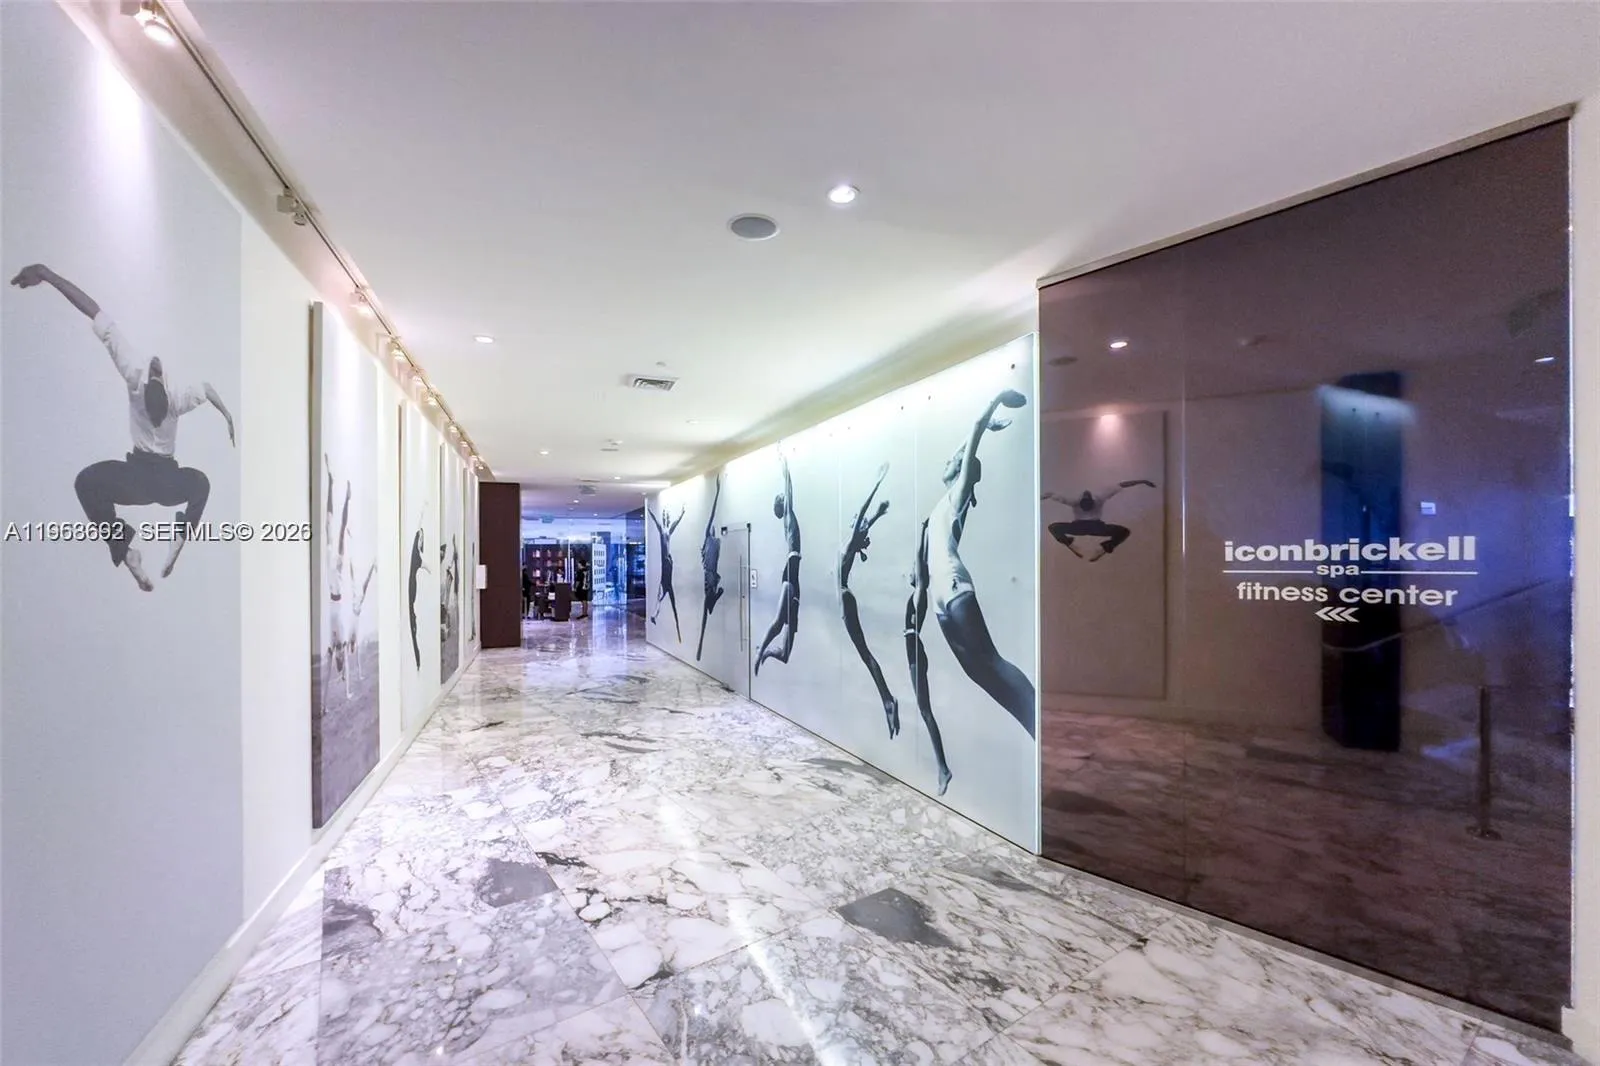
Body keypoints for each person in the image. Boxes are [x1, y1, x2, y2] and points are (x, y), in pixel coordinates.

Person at [11, 263, 234, 591]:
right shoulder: (155, 384)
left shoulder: (154, 384)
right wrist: (46, 274)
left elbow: (95, 311)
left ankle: (173, 538)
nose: (155, 367)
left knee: (196, 483)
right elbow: (93, 309)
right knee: (91, 482)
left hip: (150, 479)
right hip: (151, 479)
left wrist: (227, 414)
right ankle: (128, 550)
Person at [908, 388, 1037, 795]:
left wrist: (995, 402)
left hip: (954, 584)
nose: (947, 461)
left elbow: (975, 430)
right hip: (941, 599)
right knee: (979, 673)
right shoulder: (941, 504)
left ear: (961, 470)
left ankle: (1042, 718)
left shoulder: (958, 494)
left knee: (992, 661)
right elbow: (964, 448)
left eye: (954, 460)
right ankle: (1033, 725)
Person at [840, 464, 898, 737]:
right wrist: (878, 515)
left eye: (857, 520)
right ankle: (887, 699)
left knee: (865, 654)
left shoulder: (851, 542)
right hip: (845, 599)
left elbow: (862, 515)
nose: (854, 518)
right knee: (865, 655)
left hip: (845, 597)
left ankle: (887, 700)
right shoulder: (852, 543)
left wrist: (876, 484)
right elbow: (863, 521)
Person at [755, 453, 800, 674]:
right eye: (782, 497)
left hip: (796, 577)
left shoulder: (789, 517)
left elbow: (788, 490)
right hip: (790, 571)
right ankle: (759, 652)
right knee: (779, 621)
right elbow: (789, 486)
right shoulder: (788, 517)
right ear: (783, 504)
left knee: (785, 654)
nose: (785, 496)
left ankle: (769, 652)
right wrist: (785, 465)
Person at [1042, 480, 1156, 561]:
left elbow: (1121, 485)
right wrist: (1143, 481)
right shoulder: (1075, 501)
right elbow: (1051, 495)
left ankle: (1102, 548)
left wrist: (1142, 481)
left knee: (1124, 531)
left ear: (1092, 500)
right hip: (1090, 527)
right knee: (1053, 527)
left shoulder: (1097, 498)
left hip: (1088, 526)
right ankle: (1073, 544)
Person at [695, 474, 725, 661]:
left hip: (713, 574)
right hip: (709, 575)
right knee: (708, 601)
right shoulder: (708, 538)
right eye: (711, 527)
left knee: (709, 600)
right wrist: (718, 491)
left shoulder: (717, 541)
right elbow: (712, 514)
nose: (713, 527)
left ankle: (712, 602)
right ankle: (712, 602)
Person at [649, 505, 685, 640]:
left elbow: (676, 523)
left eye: (666, 516)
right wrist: (650, 510)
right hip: (666, 569)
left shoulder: (668, 532)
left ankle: (678, 631)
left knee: (670, 600)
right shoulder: (663, 532)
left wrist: (681, 514)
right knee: (661, 597)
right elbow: (656, 521)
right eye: (664, 516)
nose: (666, 518)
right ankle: (654, 615)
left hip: (668, 569)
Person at [407, 519, 430, 668]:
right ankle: (418, 660)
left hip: (412, 599)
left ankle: (418, 661)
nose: (422, 542)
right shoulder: (416, 557)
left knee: (414, 628)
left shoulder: (415, 556)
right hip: (412, 599)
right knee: (413, 629)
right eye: (421, 539)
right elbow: (429, 567)